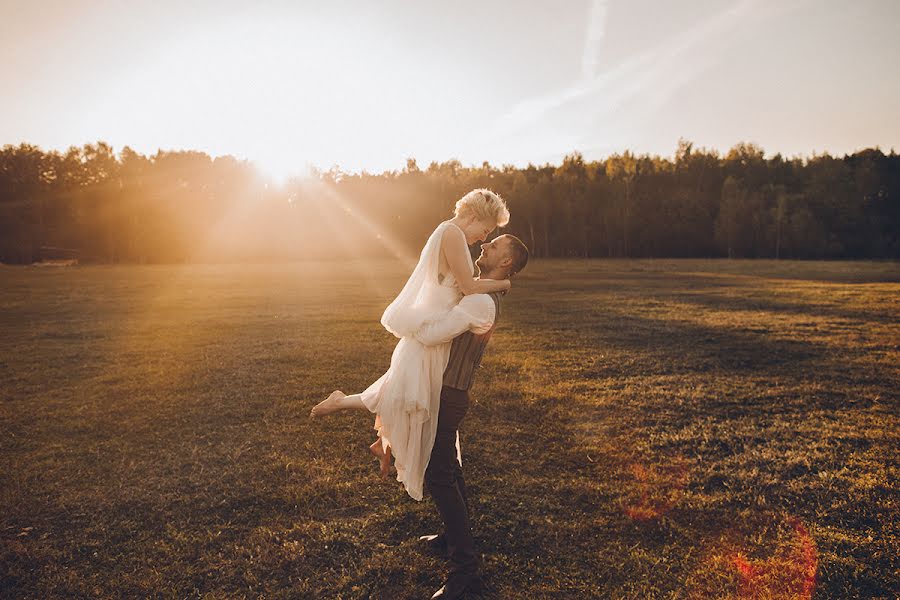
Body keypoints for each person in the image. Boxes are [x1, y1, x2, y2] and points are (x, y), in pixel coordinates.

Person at [309, 189, 511, 501]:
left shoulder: (447, 232)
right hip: (430, 333)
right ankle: (379, 438)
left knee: (404, 395)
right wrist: (504, 283)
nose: (481, 238)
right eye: (484, 230)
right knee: (412, 402)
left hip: (433, 330)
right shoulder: (454, 233)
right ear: (472, 216)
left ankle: (372, 433)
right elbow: (469, 287)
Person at [413, 234, 529, 600]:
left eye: (494, 246)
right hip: (448, 392)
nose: (484, 247)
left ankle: (465, 572)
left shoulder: (481, 300)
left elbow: (433, 335)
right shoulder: (481, 293)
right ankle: (451, 538)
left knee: (439, 476)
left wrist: (410, 321)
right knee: (451, 469)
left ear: (506, 262)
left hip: (449, 395)